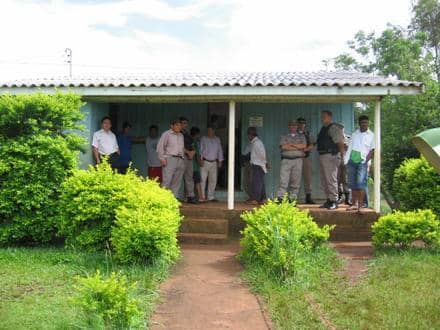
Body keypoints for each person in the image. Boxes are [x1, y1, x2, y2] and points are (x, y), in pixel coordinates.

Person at [345, 115, 375, 213]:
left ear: (368, 123)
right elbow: (350, 148)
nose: (364, 124)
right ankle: (354, 204)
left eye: (366, 122)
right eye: (362, 122)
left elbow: (372, 150)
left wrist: (366, 161)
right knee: (352, 182)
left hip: (362, 162)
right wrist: (346, 160)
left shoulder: (371, 135)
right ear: (359, 123)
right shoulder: (355, 134)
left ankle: (361, 206)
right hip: (352, 161)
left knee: (361, 183)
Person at [316, 110, 345, 210]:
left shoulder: (333, 127)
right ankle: (328, 200)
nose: (322, 118)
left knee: (331, 179)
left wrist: (343, 156)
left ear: (330, 117)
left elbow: (340, 143)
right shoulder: (323, 128)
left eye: (324, 116)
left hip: (331, 155)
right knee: (324, 180)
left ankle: (334, 201)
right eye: (322, 116)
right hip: (323, 155)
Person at [276, 120, 307, 202]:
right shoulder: (284, 136)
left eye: (295, 125)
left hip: (298, 160)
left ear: (297, 127)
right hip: (286, 160)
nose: (293, 127)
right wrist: (297, 147)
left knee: (296, 181)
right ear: (289, 126)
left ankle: (292, 199)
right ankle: (280, 198)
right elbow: (283, 147)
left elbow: (303, 146)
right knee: (283, 180)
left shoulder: (301, 136)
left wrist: (291, 145)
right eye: (291, 125)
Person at [156, 119, 185, 199]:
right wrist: (162, 159)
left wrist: (183, 159)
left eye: (179, 125)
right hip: (170, 159)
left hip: (180, 159)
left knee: (177, 181)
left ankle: (174, 199)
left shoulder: (181, 135)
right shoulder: (166, 134)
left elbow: (181, 148)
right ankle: (163, 199)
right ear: (171, 126)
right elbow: (160, 147)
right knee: (167, 180)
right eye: (177, 125)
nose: (179, 127)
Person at [200, 126, 224, 202]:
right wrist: (200, 159)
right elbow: (200, 149)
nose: (209, 132)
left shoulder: (217, 139)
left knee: (213, 180)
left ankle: (210, 196)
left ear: (214, 131)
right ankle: (202, 196)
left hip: (214, 162)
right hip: (205, 161)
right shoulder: (203, 138)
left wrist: (220, 160)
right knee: (203, 180)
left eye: (211, 131)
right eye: (208, 131)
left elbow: (220, 150)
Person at [244, 127, 267, 205]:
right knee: (260, 183)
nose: (248, 137)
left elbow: (262, 154)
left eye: (248, 135)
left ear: (251, 135)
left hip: (258, 165)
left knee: (256, 183)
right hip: (257, 164)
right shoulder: (255, 142)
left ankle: (255, 199)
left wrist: (265, 163)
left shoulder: (257, 143)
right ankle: (263, 198)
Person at [297, 117, 316, 204]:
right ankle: (292, 197)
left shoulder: (307, 134)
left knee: (307, 178)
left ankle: (308, 197)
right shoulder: (293, 134)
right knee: (294, 178)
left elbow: (312, 145)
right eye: (300, 123)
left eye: (303, 123)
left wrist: (306, 149)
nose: (301, 125)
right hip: (295, 158)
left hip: (305, 158)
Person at [180, 117, 197, 204]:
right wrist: (188, 153)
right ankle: (177, 196)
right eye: (183, 123)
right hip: (181, 157)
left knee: (189, 177)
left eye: (186, 123)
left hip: (189, 158)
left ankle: (191, 196)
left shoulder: (187, 134)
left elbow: (192, 145)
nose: (184, 125)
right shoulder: (177, 134)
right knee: (178, 177)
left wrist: (192, 153)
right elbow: (179, 147)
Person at [337, 124, 352, 205]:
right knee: (337, 179)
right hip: (337, 160)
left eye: (341, 129)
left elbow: (352, 148)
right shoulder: (334, 139)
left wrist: (346, 146)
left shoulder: (349, 138)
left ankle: (347, 198)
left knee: (346, 179)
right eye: (339, 129)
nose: (340, 131)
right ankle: (339, 196)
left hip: (346, 161)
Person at [190, 127, 203, 201]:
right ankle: (201, 197)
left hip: (189, 165)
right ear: (197, 134)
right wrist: (200, 162)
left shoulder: (189, 140)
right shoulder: (195, 142)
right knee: (197, 182)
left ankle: (187, 197)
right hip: (194, 166)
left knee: (189, 181)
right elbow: (197, 154)